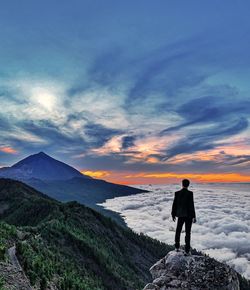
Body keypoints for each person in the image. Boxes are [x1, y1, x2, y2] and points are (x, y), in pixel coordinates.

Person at [171, 179, 196, 255]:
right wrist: (194, 216)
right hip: (188, 216)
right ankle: (187, 250)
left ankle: (177, 247)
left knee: (178, 231)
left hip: (180, 215)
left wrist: (173, 214)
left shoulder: (177, 193)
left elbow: (174, 205)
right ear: (188, 185)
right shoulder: (190, 193)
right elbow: (192, 205)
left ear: (182, 184)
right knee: (188, 233)